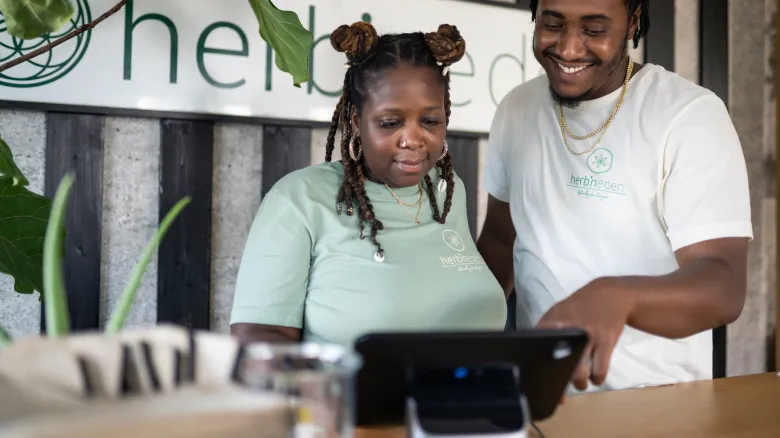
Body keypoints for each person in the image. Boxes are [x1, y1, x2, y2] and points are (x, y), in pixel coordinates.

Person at [478, 0, 752, 393]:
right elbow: (501, 243)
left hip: (657, 407)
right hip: (540, 398)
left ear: (632, 22)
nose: (569, 48)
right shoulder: (517, 108)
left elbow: (723, 285)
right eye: (552, 24)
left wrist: (617, 296)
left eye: (594, 30)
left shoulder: (689, 115)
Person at [230, 22, 507, 346]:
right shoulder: (298, 200)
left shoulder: (447, 190)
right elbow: (259, 338)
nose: (413, 139)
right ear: (357, 124)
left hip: (469, 395)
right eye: (390, 123)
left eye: (430, 121)